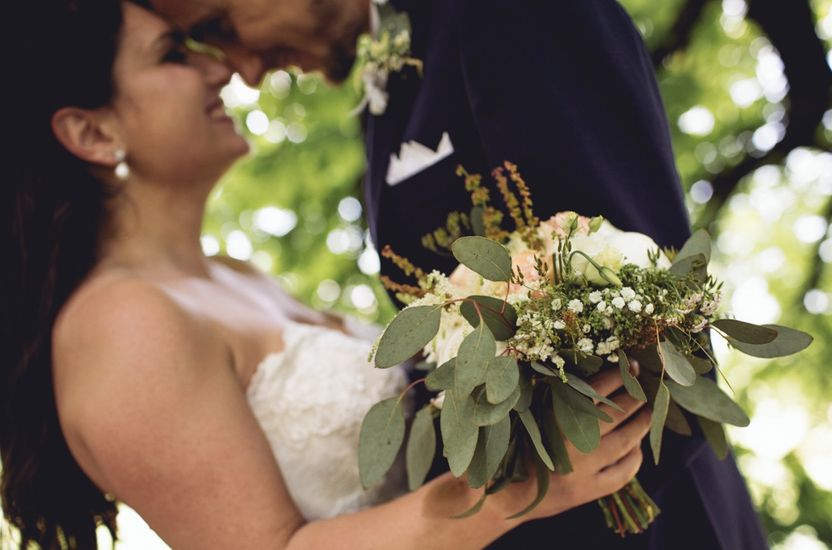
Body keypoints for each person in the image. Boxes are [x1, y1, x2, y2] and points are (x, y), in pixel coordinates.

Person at [0, 1, 654, 548]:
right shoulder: (120, 325)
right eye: (176, 54)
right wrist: (515, 496)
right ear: (91, 131)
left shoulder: (234, 277)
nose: (222, 68)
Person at [141, 0, 768, 547]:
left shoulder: (502, 11)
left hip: (652, 520)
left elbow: (653, 301)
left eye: (221, 23)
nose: (244, 69)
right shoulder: (389, 86)